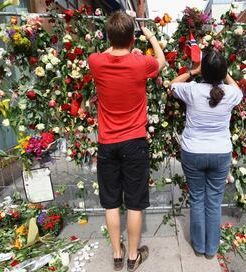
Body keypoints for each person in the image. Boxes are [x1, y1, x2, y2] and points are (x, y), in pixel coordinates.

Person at [88, 11, 165, 272]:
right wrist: (151, 36)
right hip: (134, 141)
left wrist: (117, 39)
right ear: (133, 38)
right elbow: (162, 62)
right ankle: (133, 257)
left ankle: (117, 254)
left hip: (107, 143)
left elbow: (108, 50)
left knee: (110, 202)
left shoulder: (95, 62)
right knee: (134, 203)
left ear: (108, 36)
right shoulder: (141, 63)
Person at [170, 49, 243, 259]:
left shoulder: (192, 90)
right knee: (213, 201)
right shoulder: (231, 94)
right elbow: (236, 88)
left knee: (197, 198)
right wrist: (225, 74)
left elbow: (172, 84)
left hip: (193, 152)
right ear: (223, 72)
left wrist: (194, 71)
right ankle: (211, 249)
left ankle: (199, 246)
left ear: (204, 71)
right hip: (220, 153)